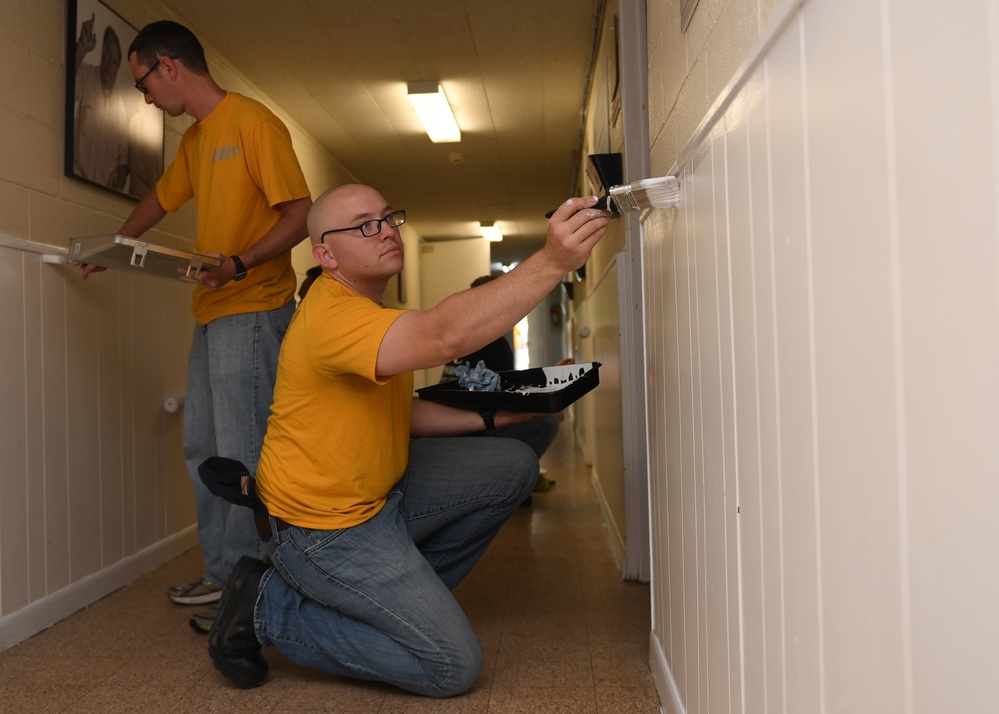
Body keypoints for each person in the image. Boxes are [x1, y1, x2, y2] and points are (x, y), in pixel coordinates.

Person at [207, 184, 609, 695]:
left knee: (512, 464)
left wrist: (499, 417)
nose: (385, 231)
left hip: (382, 497)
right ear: (326, 255)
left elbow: (405, 412)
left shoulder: (372, 312)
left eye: (386, 218)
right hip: (323, 530)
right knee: (452, 666)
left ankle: (392, 607)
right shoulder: (333, 316)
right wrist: (553, 261)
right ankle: (268, 604)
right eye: (363, 225)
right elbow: (444, 335)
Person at [77, 21, 312, 626]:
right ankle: (222, 575)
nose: (145, 96)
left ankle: (251, 585)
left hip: (254, 308)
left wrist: (240, 262)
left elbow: (301, 214)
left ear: (169, 65)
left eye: (144, 83)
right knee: (202, 450)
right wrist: (114, 245)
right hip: (212, 312)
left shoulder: (254, 123)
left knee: (242, 455)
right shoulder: (197, 141)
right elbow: (161, 197)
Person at [440, 274, 561, 489]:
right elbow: (511, 399)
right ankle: (514, 485)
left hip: (448, 429)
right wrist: (549, 400)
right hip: (472, 432)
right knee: (546, 423)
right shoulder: (493, 345)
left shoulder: (461, 339)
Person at [73, 15, 129, 190]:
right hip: (77, 180)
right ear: (101, 53)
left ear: (118, 67)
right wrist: (81, 48)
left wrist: (116, 193)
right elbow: (65, 83)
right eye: (106, 55)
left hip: (103, 191)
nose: (109, 65)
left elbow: (124, 160)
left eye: (114, 61)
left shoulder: (121, 104)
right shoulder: (86, 74)